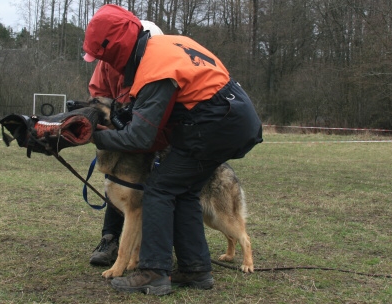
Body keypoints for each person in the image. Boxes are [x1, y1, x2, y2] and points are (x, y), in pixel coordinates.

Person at [83, 4, 263, 295]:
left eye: (103, 56)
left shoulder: (154, 68)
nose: (103, 63)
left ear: (116, 48)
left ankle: (154, 271)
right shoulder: (169, 45)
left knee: (160, 188)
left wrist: (98, 137)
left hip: (216, 123)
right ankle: (195, 270)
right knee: (185, 190)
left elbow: (140, 138)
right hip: (235, 117)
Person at [87, 20, 164, 267]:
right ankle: (110, 238)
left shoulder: (155, 63)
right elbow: (97, 95)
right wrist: (105, 118)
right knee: (116, 181)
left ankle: (150, 246)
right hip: (119, 128)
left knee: (141, 188)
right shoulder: (107, 61)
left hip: (149, 130)